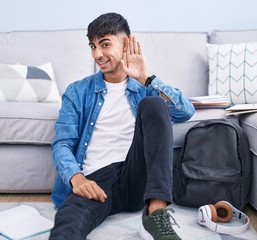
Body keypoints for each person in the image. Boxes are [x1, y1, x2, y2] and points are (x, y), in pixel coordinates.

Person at [49, 12, 195, 240]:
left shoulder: (145, 88)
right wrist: (76, 178)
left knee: (154, 104)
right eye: (93, 46)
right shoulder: (77, 91)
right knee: (68, 223)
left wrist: (146, 77)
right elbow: (62, 143)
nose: (97, 54)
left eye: (105, 44)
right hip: (95, 181)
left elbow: (185, 111)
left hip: (136, 176)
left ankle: (156, 214)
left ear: (125, 43)